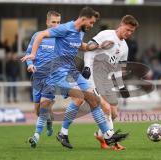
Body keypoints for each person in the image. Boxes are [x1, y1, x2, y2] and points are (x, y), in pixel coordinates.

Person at [21, 7, 128, 149]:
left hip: (72, 70)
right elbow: (40, 36)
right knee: (84, 97)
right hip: (57, 73)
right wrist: (33, 55)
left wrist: (99, 46)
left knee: (93, 98)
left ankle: (102, 134)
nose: (91, 25)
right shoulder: (64, 28)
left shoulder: (80, 31)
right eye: (91, 22)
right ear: (84, 19)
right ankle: (103, 134)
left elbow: (81, 46)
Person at [82, 15, 139, 150]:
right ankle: (113, 142)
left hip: (105, 80)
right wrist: (87, 67)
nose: (129, 33)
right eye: (127, 29)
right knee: (106, 108)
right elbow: (89, 50)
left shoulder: (124, 47)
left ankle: (100, 134)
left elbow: (118, 69)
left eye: (132, 31)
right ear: (121, 24)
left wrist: (121, 86)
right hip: (92, 76)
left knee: (114, 113)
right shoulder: (106, 34)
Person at [24, 10, 61, 147]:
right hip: (37, 77)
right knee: (38, 111)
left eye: (58, 22)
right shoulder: (38, 36)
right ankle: (49, 123)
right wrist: (30, 65)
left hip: (52, 77)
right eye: (53, 22)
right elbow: (29, 53)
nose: (56, 25)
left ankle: (36, 136)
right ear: (47, 22)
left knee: (44, 105)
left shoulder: (61, 38)